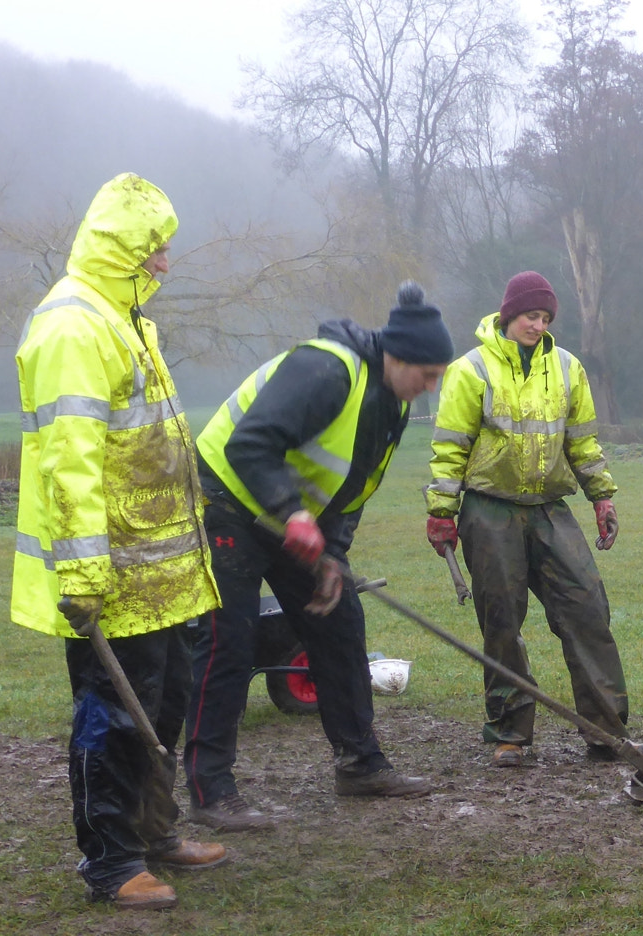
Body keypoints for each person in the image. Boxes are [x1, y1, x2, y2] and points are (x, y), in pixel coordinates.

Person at [12, 173, 226, 910]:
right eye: (155, 248)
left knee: (159, 712)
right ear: (121, 247)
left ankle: (155, 834)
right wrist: (83, 576)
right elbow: (69, 465)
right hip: (113, 575)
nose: (165, 262)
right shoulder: (74, 326)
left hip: (162, 570)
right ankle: (111, 863)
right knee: (113, 719)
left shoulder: (126, 318)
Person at [182, 282, 451, 831]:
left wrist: (331, 557)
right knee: (229, 641)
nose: (429, 388)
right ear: (395, 357)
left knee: (340, 623)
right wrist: (292, 512)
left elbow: (351, 485)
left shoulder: (392, 403)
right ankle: (211, 789)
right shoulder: (326, 370)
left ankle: (360, 765)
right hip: (227, 503)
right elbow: (249, 444)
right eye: (426, 375)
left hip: (290, 519)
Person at [425, 271, 628, 767]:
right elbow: (450, 448)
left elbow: (582, 440)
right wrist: (441, 512)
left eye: (544, 318)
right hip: (488, 508)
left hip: (550, 509)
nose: (538, 325)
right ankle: (510, 733)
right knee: (501, 620)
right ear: (508, 314)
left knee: (587, 609)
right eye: (530, 316)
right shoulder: (469, 371)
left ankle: (607, 731)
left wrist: (601, 496)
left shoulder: (567, 368)